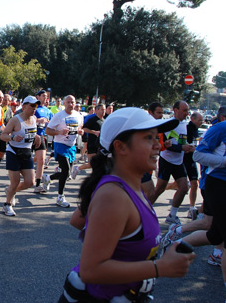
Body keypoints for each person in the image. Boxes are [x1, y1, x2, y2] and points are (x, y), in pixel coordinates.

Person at [58, 108, 194, 302]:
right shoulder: (113, 196)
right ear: (120, 147)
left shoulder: (132, 189)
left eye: (157, 138)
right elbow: (91, 271)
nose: (158, 146)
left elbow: (80, 221)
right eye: (149, 138)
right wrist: (160, 268)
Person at [165, 89, 226, 303]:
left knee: (215, 235)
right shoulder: (221, 129)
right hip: (218, 187)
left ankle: (172, 244)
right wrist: (225, 162)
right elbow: (199, 154)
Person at [150, 101, 196, 224]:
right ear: (175, 110)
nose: (187, 113)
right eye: (184, 110)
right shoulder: (168, 124)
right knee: (159, 189)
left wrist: (188, 147)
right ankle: (145, 211)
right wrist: (181, 148)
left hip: (179, 161)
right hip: (167, 160)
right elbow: (166, 145)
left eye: (187, 110)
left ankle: (172, 214)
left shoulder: (185, 124)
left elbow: (181, 141)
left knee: (184, 188)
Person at [0, 96, 41, 216]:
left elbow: (32, 132)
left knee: (30, 182)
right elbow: (3, 135)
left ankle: (10, 191)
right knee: (15, 181)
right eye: (32, 106)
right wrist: (12, 137)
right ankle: (7, 204)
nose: (34, 109)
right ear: (23, 106)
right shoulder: (15, 120)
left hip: (26, 153)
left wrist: (37, 137)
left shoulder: (34, 119)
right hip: (14, 152)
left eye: (36, 106)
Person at [44, 95, 84, 208]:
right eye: (68, 102)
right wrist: (59, 132)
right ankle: (60, 197)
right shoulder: (59, 115)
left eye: (73, 102)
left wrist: (80, 132)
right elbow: (48, 130)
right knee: (65, 170)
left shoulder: (79, 115)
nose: (71, 104)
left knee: (66, 174)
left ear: (75, 103)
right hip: (60, 145)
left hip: (71, 146)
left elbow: (80, 127)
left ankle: (49, 178)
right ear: (64, 103)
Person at [71, 104, 105, 181]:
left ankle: (96, 180)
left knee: (100, 164)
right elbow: (84, 129)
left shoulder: (104, 120)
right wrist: (94, 132)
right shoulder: (92, 120)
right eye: (102, 110)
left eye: (104, 110)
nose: (104, 111)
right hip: (92, 143)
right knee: (91, 163)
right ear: (97, 110)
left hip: (101, 145)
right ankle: (78, 168)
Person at [33, 90, 54, 193]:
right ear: (38, 97)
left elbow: (51, 122)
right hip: (30, 135)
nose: (45, 98)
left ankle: (37, 184)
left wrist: (48, 123)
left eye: (46, 96)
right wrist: (37, 121)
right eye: (43, 96)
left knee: (41, 159)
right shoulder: (33, 107)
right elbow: (25, 119)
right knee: (30, 158)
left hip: (42, 136)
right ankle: (25, 167)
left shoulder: (48, 110)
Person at [184, 112, 204, 219]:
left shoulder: (197, 131)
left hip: (192, 160)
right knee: (180, 186)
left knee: (194, 184)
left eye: (202, 120)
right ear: (192, 119)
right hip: (183, 159)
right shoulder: (186, 128)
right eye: (199, 120)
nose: (201, 123)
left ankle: (192, 207)